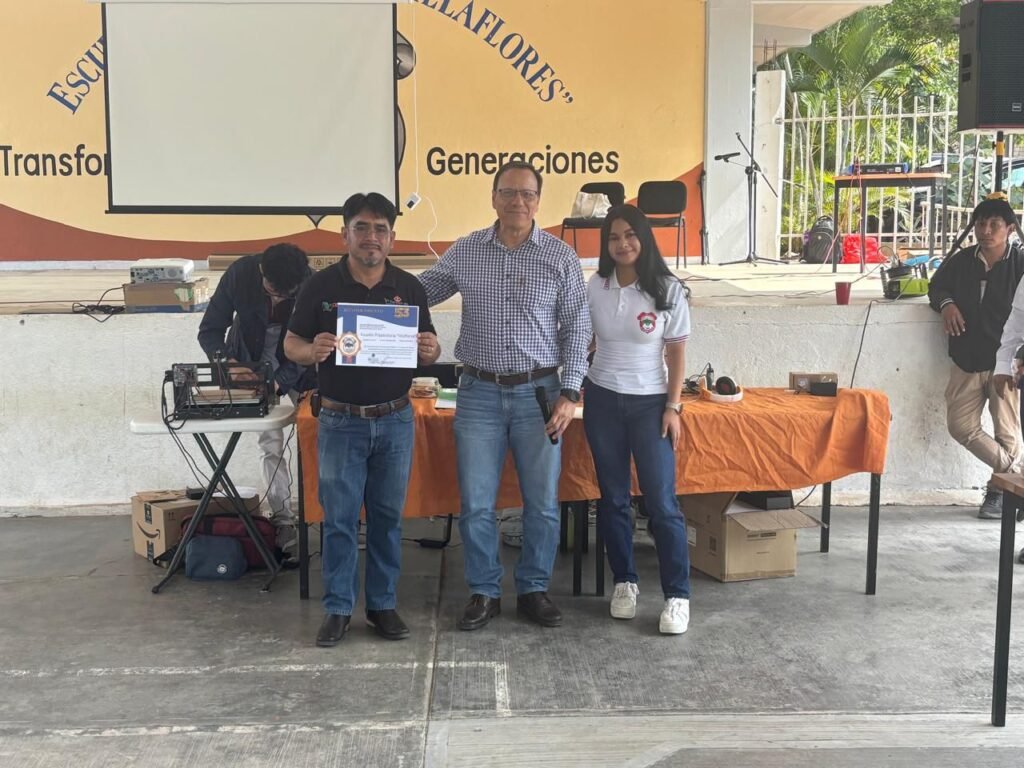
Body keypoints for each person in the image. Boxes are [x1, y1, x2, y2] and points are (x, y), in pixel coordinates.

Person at [418, 161, 591, 630]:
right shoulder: (467, 250)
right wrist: (370, 289)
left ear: (539, 201)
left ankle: (534, 588)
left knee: (542, 503)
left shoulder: (559, 257)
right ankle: (484, 591)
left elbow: (577, 328)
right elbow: (420, 292)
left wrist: (570, 391)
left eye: (528, 194)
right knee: (476, 502)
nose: (518, 201)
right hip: (478, 394)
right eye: (509, 192)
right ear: (493, 198)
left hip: (542, 395)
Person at [284, 192, 440, 647]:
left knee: (389, 518)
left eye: (380, 229)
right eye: (362, 228)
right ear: (345, 234)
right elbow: (290, 344)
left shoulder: (409, 287)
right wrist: (310, 351)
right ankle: (337, 608)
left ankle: (381, 605)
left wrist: (431, 350)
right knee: (339, 520)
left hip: (395, 420)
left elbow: (428, 347)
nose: (372, 237)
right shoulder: (320, 286)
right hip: (340, 422)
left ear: (392, 237)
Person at [582, 204, 691, 635]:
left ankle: (677, 595)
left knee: (661, 502)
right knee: (612, 499)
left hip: (650, 405)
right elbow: (584, 339)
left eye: (630, 235)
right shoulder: (597, 285)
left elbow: (676, 353)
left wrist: (673, 406)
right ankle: (624, 582)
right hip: (602, 401)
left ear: (643, 238)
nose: (622, 244)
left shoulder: (667, 288)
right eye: (613, 237)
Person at [198, 243, 315, 554]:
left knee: (316, 434)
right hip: (247, 359)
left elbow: (314, 344)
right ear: (261, 270)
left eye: (285, 296)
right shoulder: (240, 273)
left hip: (299, 360)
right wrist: (229, 365)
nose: (277, 299)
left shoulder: (311, 284)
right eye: (272, 291)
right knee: (270, 440)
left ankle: (326, 513)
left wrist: (280, 380)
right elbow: (209, 331)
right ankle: (283, 517)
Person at [928, 197, 1024, 518]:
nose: (986, 231)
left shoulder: (1020, 264)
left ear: (1010, 229)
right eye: (981, 224)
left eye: (995, 225)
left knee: (1007, 432)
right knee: (960, 425)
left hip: (1005, 362)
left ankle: (999, 494)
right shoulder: (962, 261)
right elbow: (936, 287)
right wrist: (947, 304)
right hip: (966, 357)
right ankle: (1014, 476)